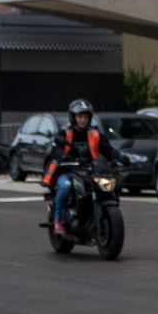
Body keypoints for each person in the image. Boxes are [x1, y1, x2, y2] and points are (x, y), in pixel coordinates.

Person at [45, 99, 124, 235]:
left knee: (107, 187)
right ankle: (58, 220)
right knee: (66, 187)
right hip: (68, 170)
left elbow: (107, 149)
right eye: (80, 117)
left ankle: (95, 216)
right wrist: (62, 156)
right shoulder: (65, 133)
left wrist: (119, 158)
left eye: (85, 117)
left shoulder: (95, 134)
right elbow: (55, 148)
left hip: (90, 171)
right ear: (73, 117)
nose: (83, 120)